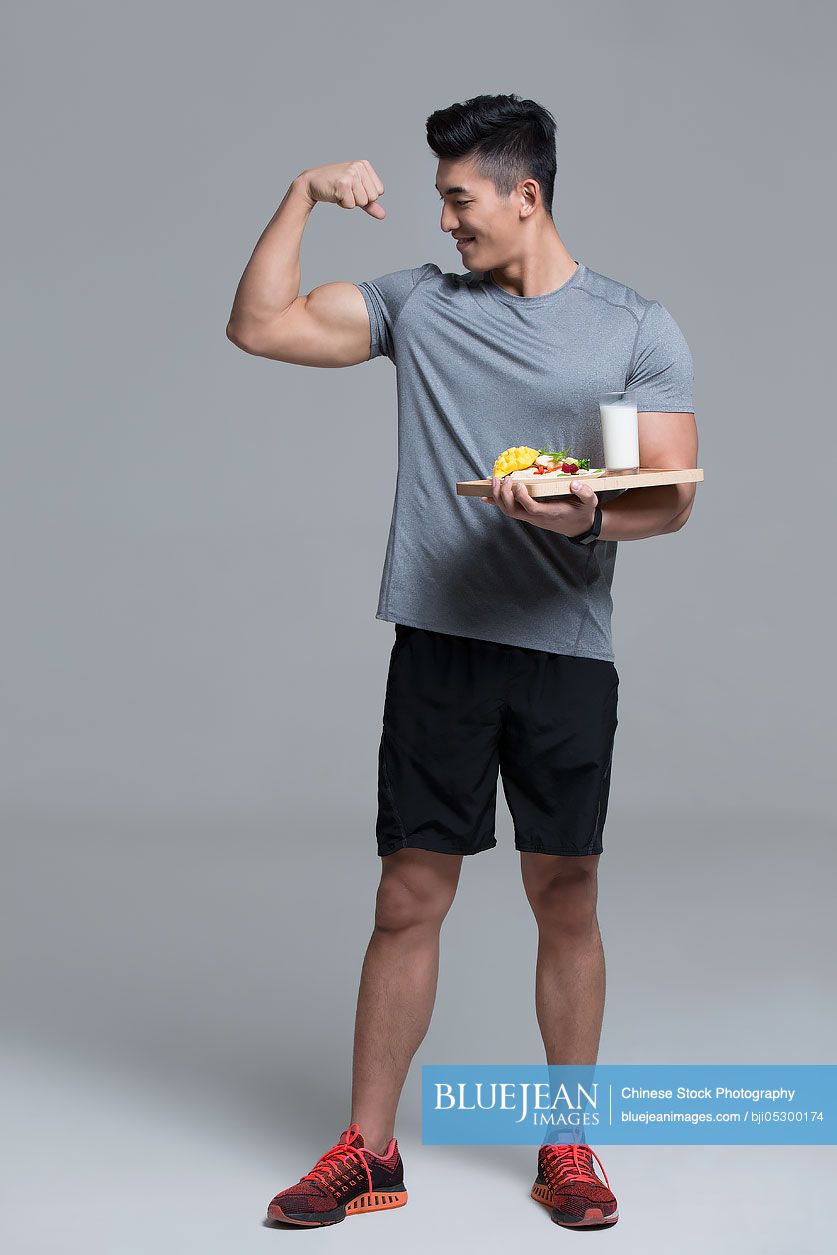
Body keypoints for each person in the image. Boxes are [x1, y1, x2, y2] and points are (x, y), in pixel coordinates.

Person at [227, 92, 697, 1231]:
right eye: (441, 201)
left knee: (566, 895)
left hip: (564, 656)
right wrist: (300, 193)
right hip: (439, 647)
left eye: (458, 199)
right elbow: (261, 325)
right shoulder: (418, 307)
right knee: (405, 897)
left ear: (523, 196)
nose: (445, 224)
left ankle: (568, 1147)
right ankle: (366, 1151)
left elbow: (667, 496)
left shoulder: (635, 327)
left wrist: (579, 514)